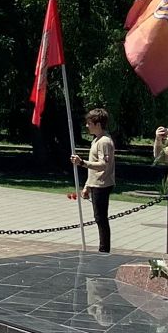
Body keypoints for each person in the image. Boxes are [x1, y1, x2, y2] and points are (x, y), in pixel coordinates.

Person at [73, 108, 117, 253]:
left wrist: (82, 163)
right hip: (95, 183)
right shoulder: (96, 140)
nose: (87, 126)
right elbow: (94, 168)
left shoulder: (104, 141)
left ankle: (104, 249)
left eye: (89, 123)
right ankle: (103, 248)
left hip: (102, 184)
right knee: (99, 217)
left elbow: (103, 164)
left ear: (97, 124)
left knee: (101, 218)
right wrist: (87, 185)